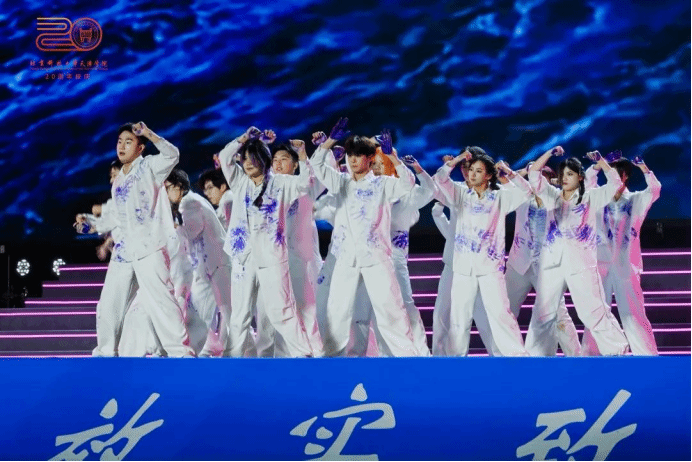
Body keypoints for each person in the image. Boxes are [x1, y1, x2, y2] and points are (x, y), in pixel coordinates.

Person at [75, 122, 193, 357]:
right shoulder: (119, 180)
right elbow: (116, 217)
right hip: (124, 251)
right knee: (109, 304)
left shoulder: (150, 167)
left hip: (149, 247)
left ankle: (181, 354)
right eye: (120, 141)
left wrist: (148, 133)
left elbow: (173, 154)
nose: (122, 146)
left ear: (140, 148)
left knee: (162, 302)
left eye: (128, 142)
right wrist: (90, 225)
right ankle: (106, 354)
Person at [310, 119, 421, 357]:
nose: (352, 160)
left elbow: (408, 183)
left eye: (358, 155)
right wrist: (330, 141)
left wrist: (392, 157)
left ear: (370, 159)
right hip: (346, 257)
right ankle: (333, 355)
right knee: (337, 310)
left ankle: (406, 356)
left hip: (376, 256)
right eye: (350, 155)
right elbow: (316, 165)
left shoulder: (383, 184)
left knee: (390, 308)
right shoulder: (340, 182)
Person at [217, 126, 315, 357]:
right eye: (245, 158)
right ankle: (232, 359)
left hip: (272, 256)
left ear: (264, 160)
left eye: (253, 158)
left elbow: (306, 183)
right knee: (240, 314)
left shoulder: (281, 183)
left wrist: (302, 155)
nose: (248, 163)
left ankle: (304, 355)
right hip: (243, 256)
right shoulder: (240, 182)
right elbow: (224, 157)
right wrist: (244, 138)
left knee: (282, 310)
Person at [525, 148, 629, 356]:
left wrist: (601, 161)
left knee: (592, 312)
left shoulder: (590, 198)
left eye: (570, 174)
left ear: (580, 177)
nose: (564, 178)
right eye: (562, 174)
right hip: (552, 263)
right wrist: (549, 152)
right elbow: (534, 174)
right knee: (543, 313)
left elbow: (615, 184)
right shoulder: (552, 196)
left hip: (581, 264)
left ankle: (617, 351)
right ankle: (534, 357)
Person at [432, 147, 532, 356]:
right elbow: (439, 180)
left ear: (488, 176)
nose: (472, 174)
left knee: (500, 314)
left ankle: (515, 357)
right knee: (459, 318)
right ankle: (456, 360)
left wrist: (508, 174)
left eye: (478, 171)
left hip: (490, 269)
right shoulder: (460, 194)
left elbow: (526, 192)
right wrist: (456, 161)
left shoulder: (500, 197)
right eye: (471, 170)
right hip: (462, 268)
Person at [348, 148, 436, 357]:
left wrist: (417, 168)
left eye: (382, 163)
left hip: (394, 261)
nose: (377, 168)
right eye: (373, 163)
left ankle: (418, 353)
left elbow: (429, 191)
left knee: (404, 306)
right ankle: (364, 354)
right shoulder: (364, 192)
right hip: (366, 260)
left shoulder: (406, 195)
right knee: (362, 309)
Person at [581, 154, 661, 355]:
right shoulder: (599, 198)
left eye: (615, 173)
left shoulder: (636, 200)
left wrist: (644, 168)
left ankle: (646, 357)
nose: (611, 177)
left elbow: (654, 190)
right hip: (600, 265)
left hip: (626, 266)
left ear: (624, 176)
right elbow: (587, 184)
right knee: (597, 313)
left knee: (633, 314)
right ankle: (590, 357)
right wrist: (598, 165)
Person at [500, 164, 581, 356]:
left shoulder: (559, 200)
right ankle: (507, 356)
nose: (536, 182)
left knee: (558, 314)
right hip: (519, 263)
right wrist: (523, 171)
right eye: (533, 178)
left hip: (547, 267)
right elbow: (502, 178)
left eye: (541, 178)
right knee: (504, 310)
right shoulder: (521, 196)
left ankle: (576, 357)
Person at [165, 168, 234, 357]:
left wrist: (171, 226)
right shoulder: (188, 202)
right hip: (207, 267)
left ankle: (223, 352)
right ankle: (200, 350)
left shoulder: (190, 202)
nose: (166, 193)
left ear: (179, 186)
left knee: (224, 311)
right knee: (206, 311)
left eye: (168, 188)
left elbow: (191, 231)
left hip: (216, 264)